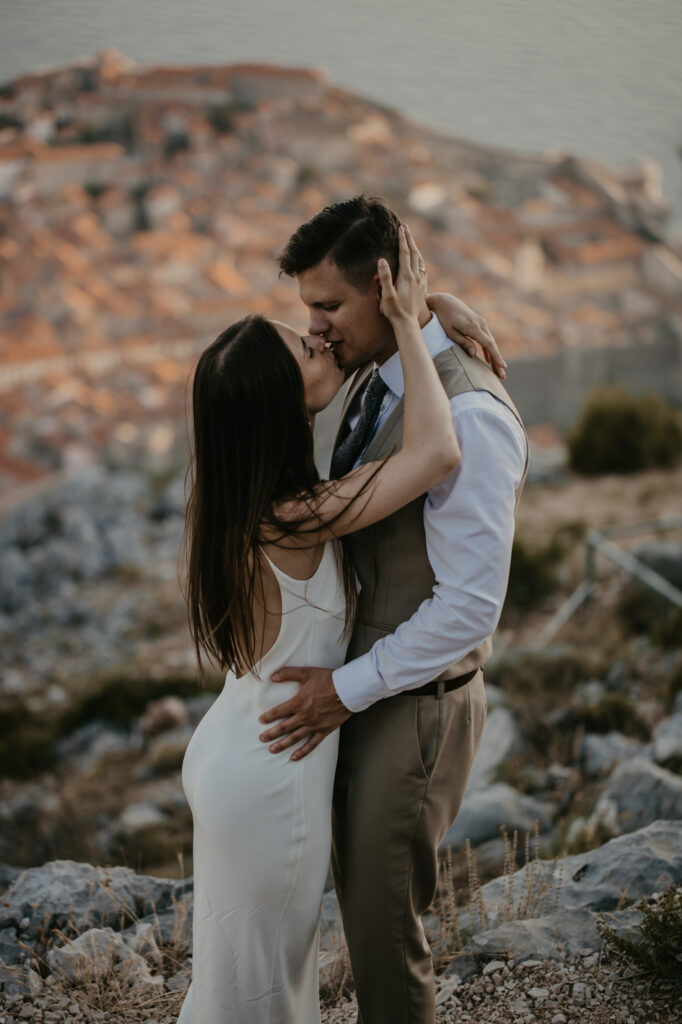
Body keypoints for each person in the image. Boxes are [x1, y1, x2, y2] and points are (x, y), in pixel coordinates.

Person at [176, 224, 499, 1023]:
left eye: (318, 326)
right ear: (281, 403)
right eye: (306, 350)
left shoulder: (248, 493)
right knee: (263, 991)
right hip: (271, 773)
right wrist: (416, 323)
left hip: (238, 743)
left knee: (240, 977)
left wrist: (433, 311)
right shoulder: (295, 515)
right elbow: (434, 453)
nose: (321, 342)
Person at [258, 195, 529, 1024]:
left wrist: (344, 690)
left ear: (385, 288)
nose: (316, 327)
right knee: (363, 912)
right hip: (371, 692)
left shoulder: (472, 418)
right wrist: (436, 309)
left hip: (412, 705)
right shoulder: (389, 370)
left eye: (329, 305)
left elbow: (470, 608)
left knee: (383, 935)